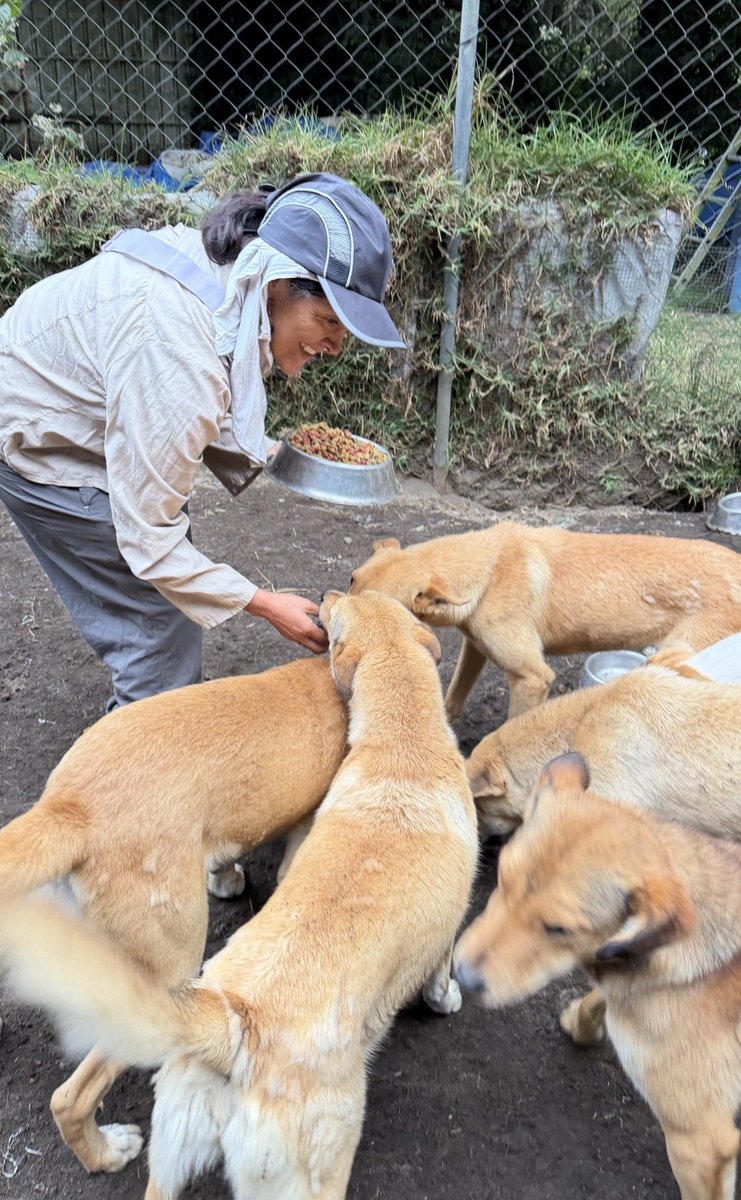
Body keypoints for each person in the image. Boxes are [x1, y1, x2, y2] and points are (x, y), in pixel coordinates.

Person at [0, 172, 405, 710]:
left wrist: (277, 453)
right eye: (327, 319)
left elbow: (190, 406)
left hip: (83, 405)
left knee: (165, 588)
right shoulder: (179, 353)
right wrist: (262, 603)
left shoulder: (229, 280)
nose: (334, 345)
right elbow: (151, 536)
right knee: (159, 624)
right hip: (39, 436)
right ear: (278, 282)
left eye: (344, 332)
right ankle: (136, 767)